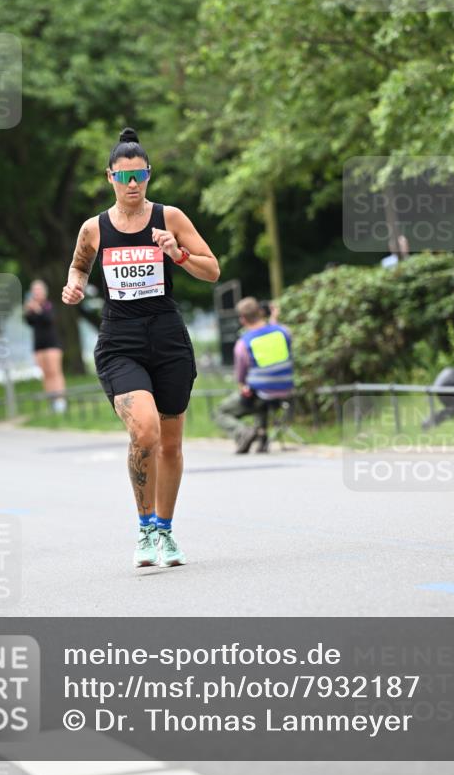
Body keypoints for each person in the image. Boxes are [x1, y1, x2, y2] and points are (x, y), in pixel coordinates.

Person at [62, 127, 220, 569]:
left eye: (140, 175)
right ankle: (145, 526)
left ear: (149, 175)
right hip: (121, 342)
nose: (132, 184)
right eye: (124, 176)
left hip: (168, 339)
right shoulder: (93, 228)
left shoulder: (170, 218)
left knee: (170, 445)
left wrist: (178, 254)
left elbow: (212, 271)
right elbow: (78, 266)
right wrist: (75, 286)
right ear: (110, 177)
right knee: (145, 431)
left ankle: (165, 532)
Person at [216, 296, 294, 454]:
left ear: (242, 319)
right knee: (260, 395)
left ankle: (243, 432)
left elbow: (241, 376)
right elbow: (274, 335)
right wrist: (274, 320)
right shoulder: (283, 332)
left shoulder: (244, 343)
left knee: (220, 411)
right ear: (261, 312)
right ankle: (261, 435)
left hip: (261, 393)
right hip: (286, 390)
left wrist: (242, 386)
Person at [24, 280, 67, 414]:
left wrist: (37, 309)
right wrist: (28, 311)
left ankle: (60, 401)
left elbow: (48, 319)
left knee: (55, 372)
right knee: (46, 374)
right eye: (34, 290)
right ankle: (51, 401)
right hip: (39, 345)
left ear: (44, 292)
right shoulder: (32, 307)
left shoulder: (49, 305)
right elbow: (29, 322)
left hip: (52, 344)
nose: (36, 293)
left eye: (39, 290)